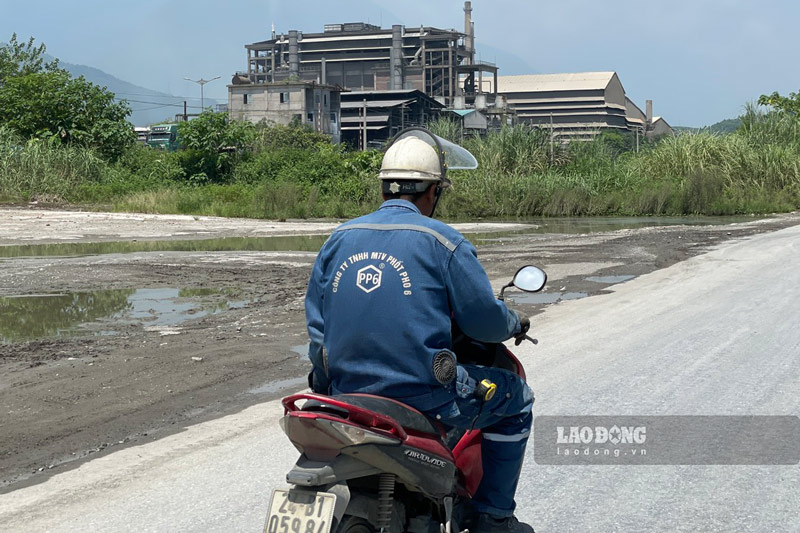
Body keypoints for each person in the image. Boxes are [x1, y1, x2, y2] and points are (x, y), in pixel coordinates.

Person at [304, 129, 535, 533]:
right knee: (516, 401)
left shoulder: (337, 240)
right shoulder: (443, 242)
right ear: (432, 192)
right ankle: (492, 517)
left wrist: (327, 384)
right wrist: (513, 321)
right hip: (426, 398)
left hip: (346, 397)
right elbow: (483, 320)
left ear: (383, 189)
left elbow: (318, 333)